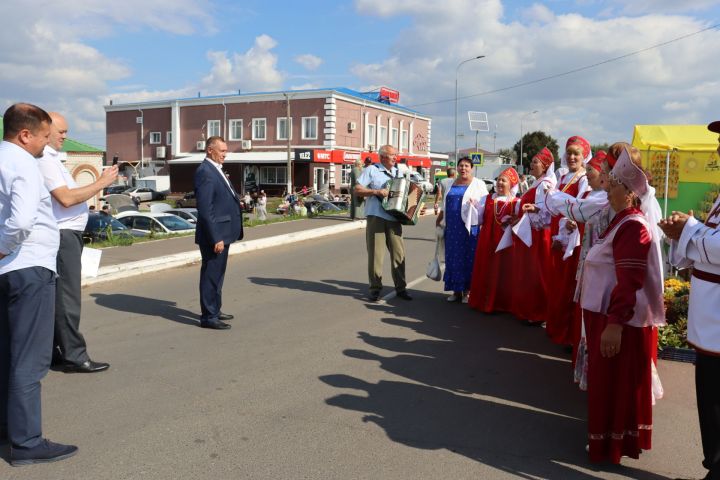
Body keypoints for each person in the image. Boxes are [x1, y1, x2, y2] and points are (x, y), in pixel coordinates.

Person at [0, 103, 78, 465]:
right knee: (29, 359)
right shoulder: (25, 164)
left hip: (9, 272)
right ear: (25, 134)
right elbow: (22, 218)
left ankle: (8, 430)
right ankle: (26, 442)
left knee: (8, 354)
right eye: (45, 136)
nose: (48, 143)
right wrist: (3, 248)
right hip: (29, 267)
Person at [580, 145, 665, 464]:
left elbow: (628, 280)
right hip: (609, 316)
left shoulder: (632, 226)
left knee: (612, 385)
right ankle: (613, 441)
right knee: (612, 384)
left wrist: (614, 325)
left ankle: (610, 445)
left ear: (629, 194)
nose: (608, 190)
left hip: (617, 320)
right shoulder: (623, 221)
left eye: (613, 186)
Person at [37, 112, 118, 373]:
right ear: (46, 131)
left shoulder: (53, 159)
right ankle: (74, 354)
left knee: (59, 298)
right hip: (62, 236)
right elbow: (67, 199)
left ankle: (55, 351)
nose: (65, 136)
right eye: (61, 131)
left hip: (65, 235)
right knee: (67, 299)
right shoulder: (46, 160)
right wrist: (101, 182)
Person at [662, 120, 720, 480]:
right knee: (710, 400)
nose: (717, 151)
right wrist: (682, 230)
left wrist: (690, 229)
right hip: (710, 320)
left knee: (715, 401)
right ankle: (713, 464)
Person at [546, 136, 591, 348]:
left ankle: (568, 335)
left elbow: (579, 208)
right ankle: (556, 328)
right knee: (558, 283)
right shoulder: (563, 176)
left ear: (584, 157)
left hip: (571, 238)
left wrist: (564, 234)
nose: (572, 157)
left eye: (577, 154)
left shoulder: (583, 179)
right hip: (559, 234)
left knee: (568, 285)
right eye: (569, 153)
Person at [194, 136, 243, 330]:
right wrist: (216, 237)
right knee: (211, 275)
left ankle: (215, 309)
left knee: (218, 274)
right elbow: (206, 209)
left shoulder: (215, 169)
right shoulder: (205, 172)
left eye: (225, 150)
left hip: (223, 232)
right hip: (214, 236)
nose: (225, 154)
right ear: (209, 150)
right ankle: (208, 316)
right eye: (222, 150)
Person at [354, 144, 412, 302]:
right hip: (376, 217)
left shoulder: (399, 172)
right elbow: (357, 189)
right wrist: (375, 192)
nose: (396, 157)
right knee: (376, 255)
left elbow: (407, 195)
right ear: (383, 157)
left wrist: (414, 209)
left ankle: (401, 288)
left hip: (395, 218)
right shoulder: (372, 170)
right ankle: (375, 289)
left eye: (396, 155)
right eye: (393, 155)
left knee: (399, 254)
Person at [512, 148, 557, 325]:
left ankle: (539, 312)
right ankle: (530, 308)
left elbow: (548, 210)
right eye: (532, 161)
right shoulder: (537, 183)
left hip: (539, 235)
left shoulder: (546, 184)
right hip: (531, 232)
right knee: (530, 272)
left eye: (536, 162)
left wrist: (535, 210)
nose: (532, 164)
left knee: (538, 272)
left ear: (545, 166)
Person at [468, 167, 521, 313]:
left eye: (504, 180)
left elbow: (521, 221)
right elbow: (479, 219)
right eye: (498, 180)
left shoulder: (516, 202)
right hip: (487, 239)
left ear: (511, 185)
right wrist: (474, 206)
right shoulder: (488, 199)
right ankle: (484, 301)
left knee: (504, 271)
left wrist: (514, 220)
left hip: (506, 243)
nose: (499, 183)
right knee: (487, 268)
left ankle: (503, 303)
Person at [435, 157, 488, 303]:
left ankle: (468, 292)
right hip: (452, 229)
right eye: (460, 166)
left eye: (466, 166)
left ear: (472, 168)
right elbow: (445, 204)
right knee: (452, 258)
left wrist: (476, 204)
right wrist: (439, 218)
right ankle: (456, 291)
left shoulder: (479, 184)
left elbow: (485, 205)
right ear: (457, 168)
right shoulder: (450, 183)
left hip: (470, 228)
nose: (463, 168)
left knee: (468, 258)